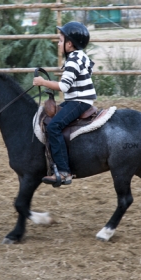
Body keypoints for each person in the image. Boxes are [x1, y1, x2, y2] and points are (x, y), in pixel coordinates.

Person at [33, 21, 96, 187]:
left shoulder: (73, 60)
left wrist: (43, 82)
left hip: (78, 101)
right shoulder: (81, 56)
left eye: (60, 41)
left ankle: (63, 171)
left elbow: (63, 86)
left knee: (54, 127)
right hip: (79, 98)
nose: (59, 44)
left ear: (69, 44)